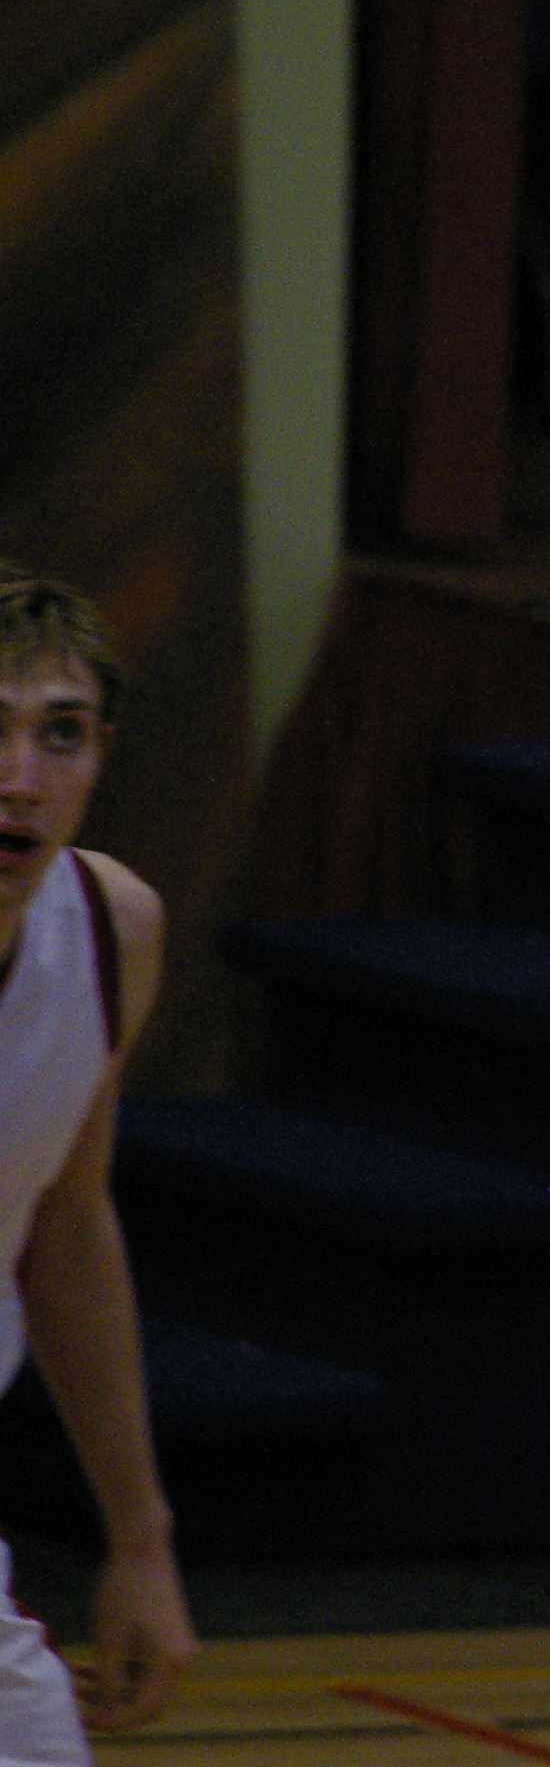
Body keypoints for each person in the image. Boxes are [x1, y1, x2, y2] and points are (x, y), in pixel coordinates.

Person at [0, 567, 199, 1757]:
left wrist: (140, 1540)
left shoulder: (113, 929)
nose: (19, 777)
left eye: (60, 733)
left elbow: (67, 1226)